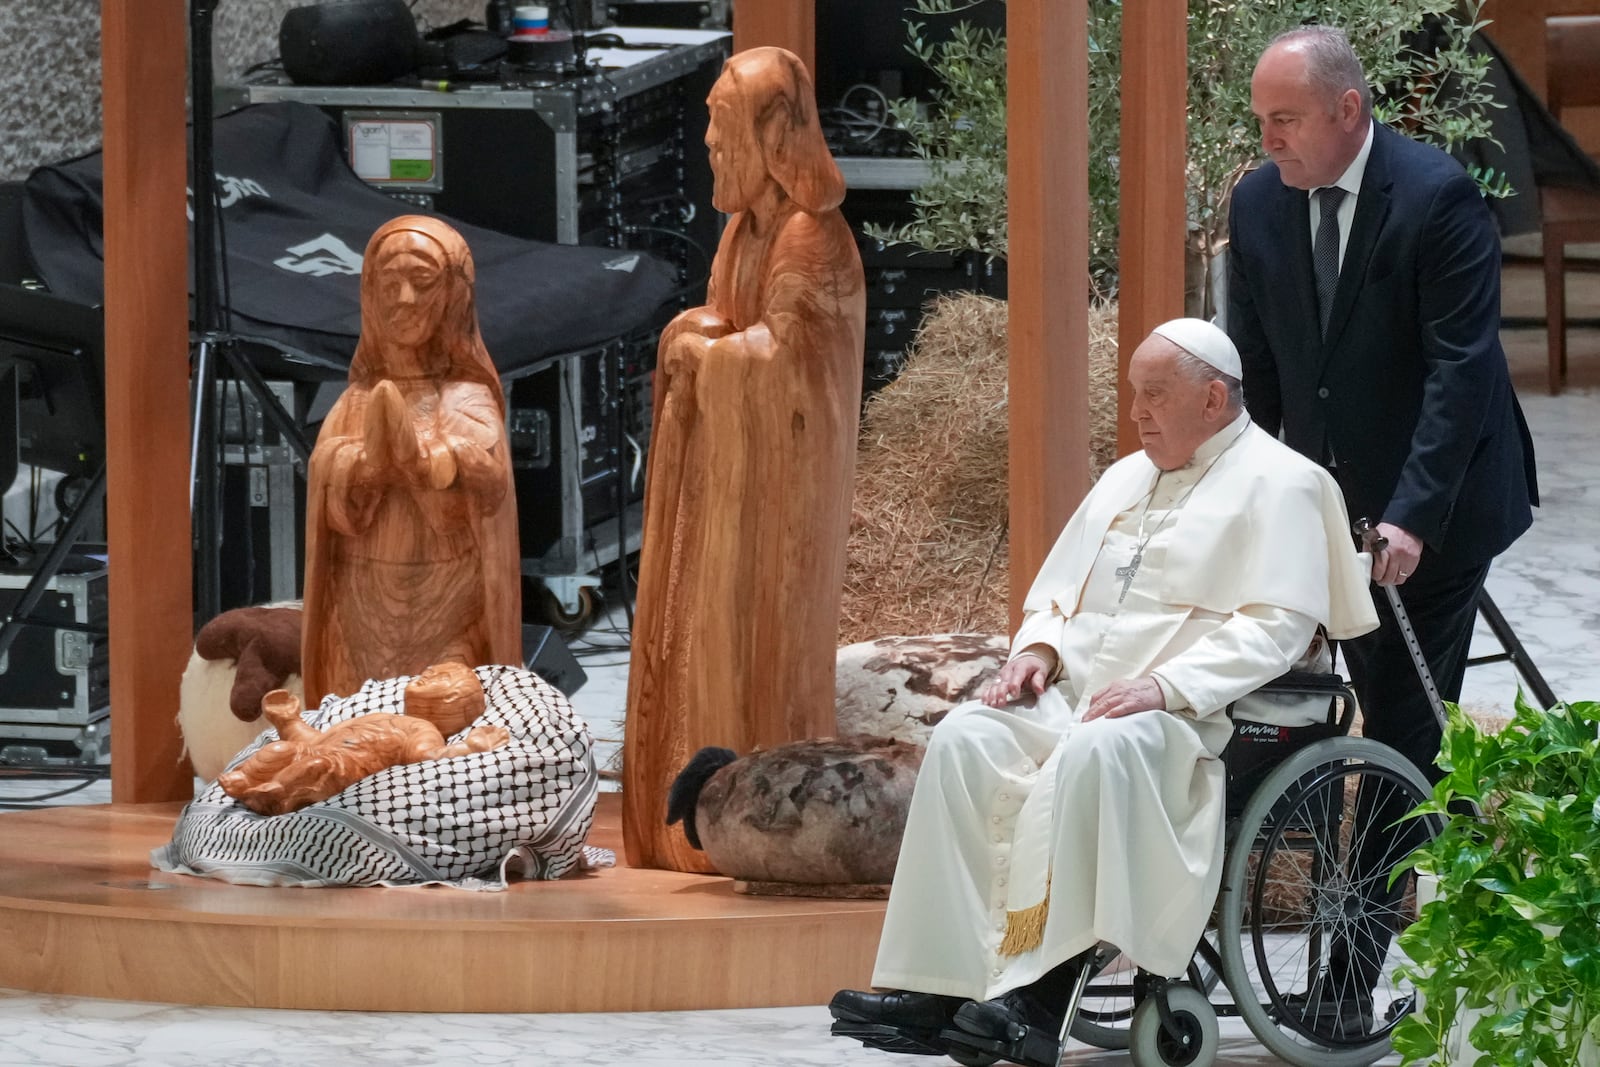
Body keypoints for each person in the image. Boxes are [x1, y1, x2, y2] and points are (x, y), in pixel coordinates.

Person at [829, 319, 1378, 1066]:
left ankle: (1041, 993)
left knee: (1099, 747)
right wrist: (1037, 651)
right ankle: (940, 983)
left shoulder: (1286, 483)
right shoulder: (1125, 477)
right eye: (1134, 395)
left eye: (1155, 395)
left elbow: (1276, 629)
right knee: (967, 735)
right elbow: (1056, 594)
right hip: (1079, 697)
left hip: (1197, 720)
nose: (1137, 413)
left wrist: (1165, 684)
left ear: (1214, 397)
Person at [1226, 25, 1539, 1025]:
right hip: (1325, 498)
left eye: (1284, 119)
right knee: (1283, 698)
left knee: (1402, 726)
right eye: (1260, 120)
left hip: (1434, 507)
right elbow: (1260, 371)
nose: (1269, 138)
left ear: (1346, 111)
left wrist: (1408, 518)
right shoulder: (1257, 202)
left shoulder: (1437, 196)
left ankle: (1347, 982)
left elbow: (1460, 377)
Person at [622, 46, 866, 871]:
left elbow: (797, 368)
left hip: (777, 507)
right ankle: (682, 822)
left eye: (723, 132)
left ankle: (751, 826)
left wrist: (714, 356)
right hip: (727, 489)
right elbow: (730, 325)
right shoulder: (742, 232)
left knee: (754, 661)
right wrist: (693, 337)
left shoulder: (810, 239)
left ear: (771, 138)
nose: (710, 149)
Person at [301, 216, 522, 707]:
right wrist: (361, 469)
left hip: (447, 600)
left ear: (453, 295)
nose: (404, 299)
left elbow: (490, 482)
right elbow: (324, 480)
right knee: (356, 715)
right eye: (389, 284)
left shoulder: (467, 395)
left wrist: (429, 464)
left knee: (442, 712)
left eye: (421, 283)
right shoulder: (356, 399)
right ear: (370, 295)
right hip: (362, 597)